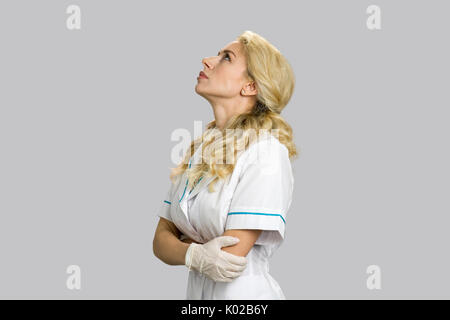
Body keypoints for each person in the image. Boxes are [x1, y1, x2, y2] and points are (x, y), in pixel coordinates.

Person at [153, 30, 298, 299]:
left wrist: (184, 246)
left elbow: (230, 258)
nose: (207, 60)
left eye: (226, 58)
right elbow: (160, 241)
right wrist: (196, 254)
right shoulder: (199, 148)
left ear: (251, 86)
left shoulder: (266, 153)